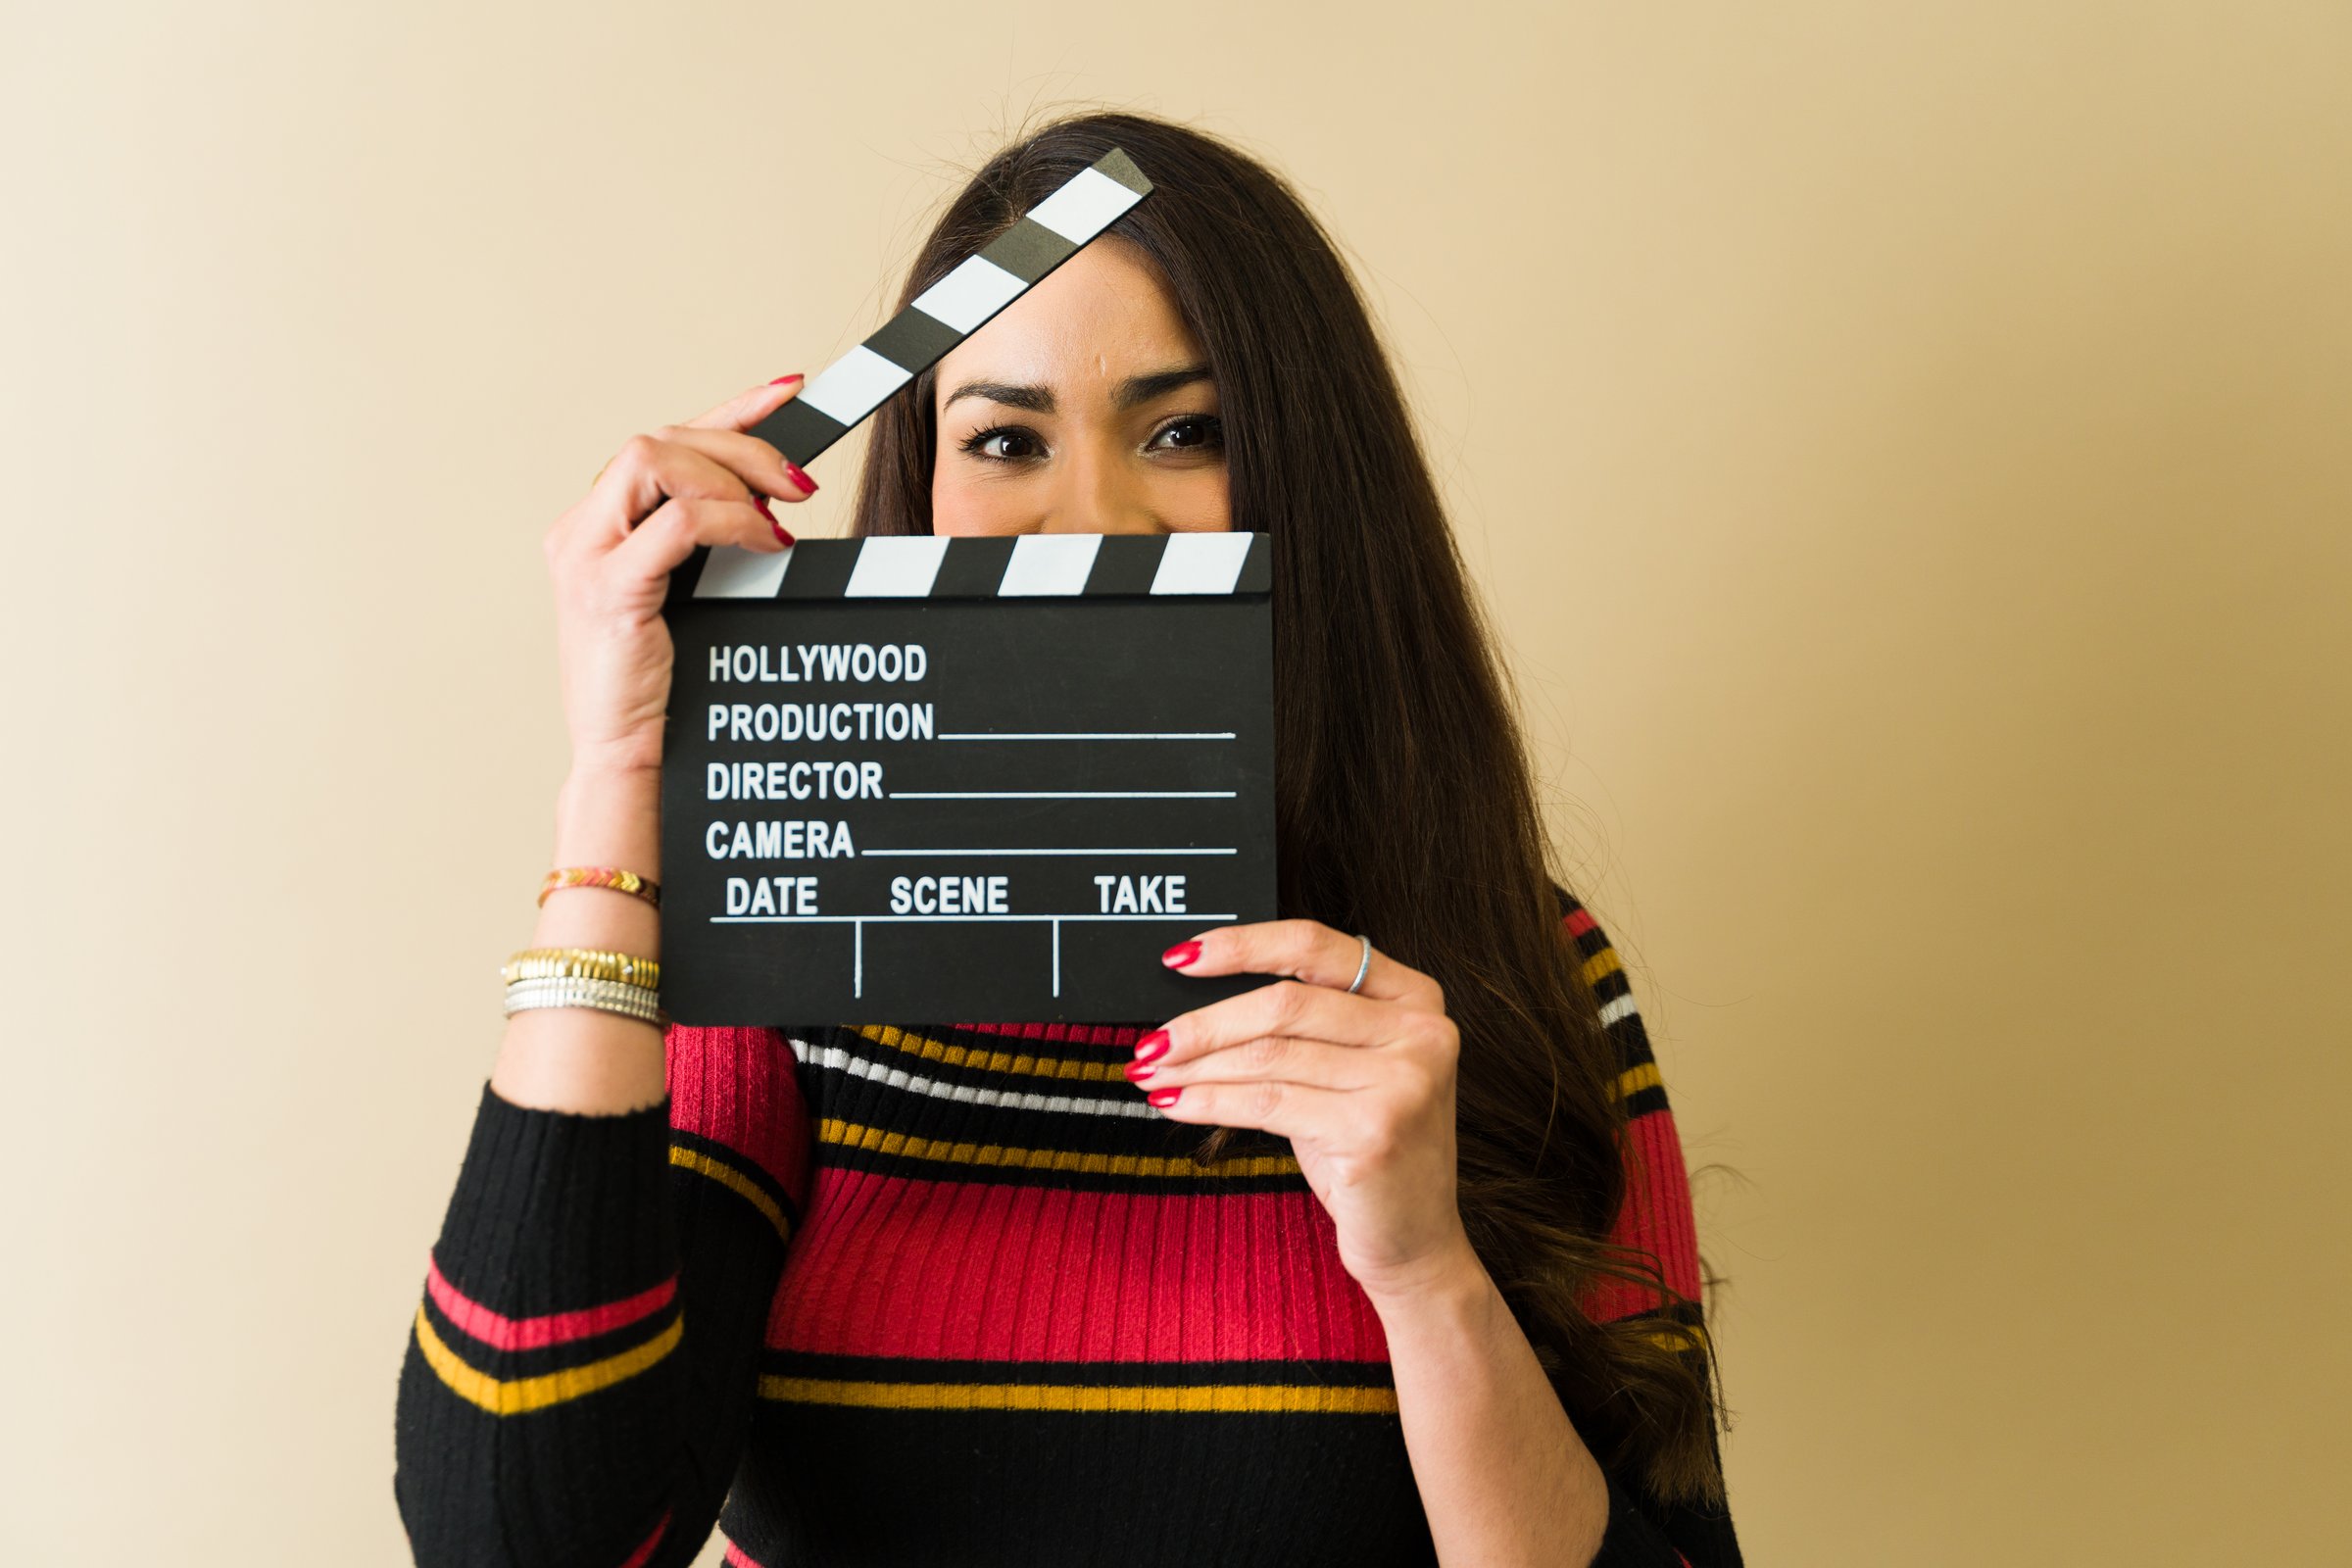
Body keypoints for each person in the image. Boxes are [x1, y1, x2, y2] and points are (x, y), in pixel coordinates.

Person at [392, 111, 1743, 1568]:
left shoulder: (1516, 962)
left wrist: (1425, 1276)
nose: (1088, 515)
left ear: (1310, 479)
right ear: (920, 495)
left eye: (1185, 432)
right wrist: (620, 786)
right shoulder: (787, 950)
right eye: (1004, 439)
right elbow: (520, 1541)